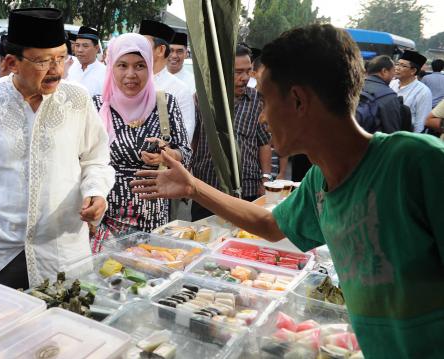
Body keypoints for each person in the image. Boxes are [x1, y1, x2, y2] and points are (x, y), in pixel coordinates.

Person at [131, 24, 444, 358]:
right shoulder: (317, 183)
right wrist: (193, 187)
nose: (263, 117)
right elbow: (270, 225)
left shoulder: (415, 163)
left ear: (297, 101)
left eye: (265, 100)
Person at [0, 8, 115, 289]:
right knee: (1, 328)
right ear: (12, 62)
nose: (57, 70)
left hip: (63, 253)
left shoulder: (77, 99)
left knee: (64, 326)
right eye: (44, 61)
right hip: (0, 252)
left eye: (62, 58)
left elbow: (96, 159)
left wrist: (96, 192)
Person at [90, 33, 191, 253]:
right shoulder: (97, 106)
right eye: (122, 65)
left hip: (153, 217)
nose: (131, 74)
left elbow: (185, 151)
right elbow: (83, 159)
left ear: (150, 66)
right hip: (105, 217)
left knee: (147, 281)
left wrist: (168, 155)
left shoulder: (166, 103)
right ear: (111, 66)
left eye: (140, 66)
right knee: (105, 278)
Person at [190, 45, 270, 221]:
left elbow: (264, 142)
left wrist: (265, 178)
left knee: (243, 241)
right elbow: (193, 138)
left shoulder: (257, 99)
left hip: (246, 189)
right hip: (207, 187)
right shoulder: (202, 99)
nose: (245, 78)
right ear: (222, 70)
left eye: (248, 71)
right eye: (238, 72)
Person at [139, 19, 195, 142]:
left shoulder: (179, 90)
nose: (137, 48)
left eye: (143, 44)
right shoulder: (130, 82)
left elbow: (185, 136)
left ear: (160, 50)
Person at [357, 55, 408, 133]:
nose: (394, 75)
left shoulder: (354, 86)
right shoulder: (389, 96)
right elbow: (391, 132)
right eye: (393, 71)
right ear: (384, 71)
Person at [390, 50, 432, 133]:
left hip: (405, 136)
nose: (397, 68)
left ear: (413, 71)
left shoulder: (423, 92)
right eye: (397, 64)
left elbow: (421, 123)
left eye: (403, 66)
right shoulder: (391, 84)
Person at [65, 26, 105, 96]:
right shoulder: (68, 67)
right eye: (77, 45)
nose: (80, 50)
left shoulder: (105, 73)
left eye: (85, 46)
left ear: (96, 48)